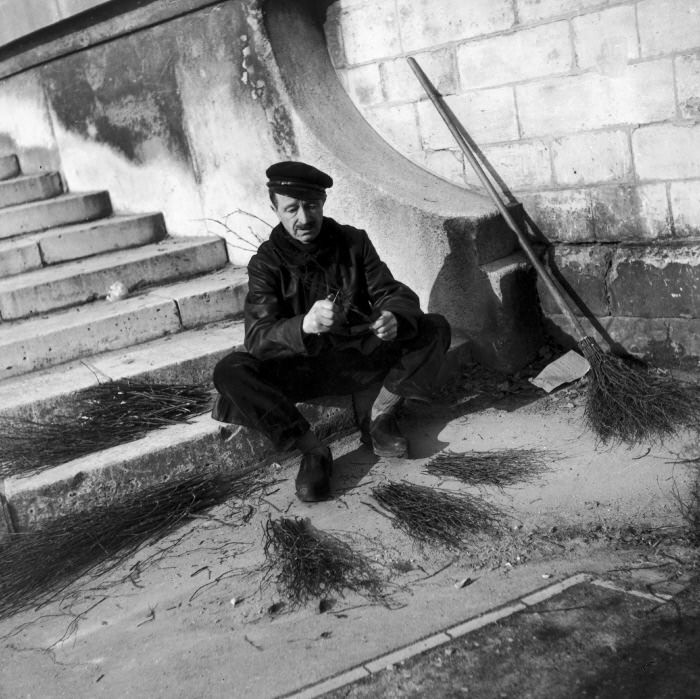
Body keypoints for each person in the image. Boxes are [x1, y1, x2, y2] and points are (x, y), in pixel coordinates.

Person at [212, 161, 451, 502]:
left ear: (323, 202)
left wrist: (393, 315)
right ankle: (312, 450)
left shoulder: (353, 242)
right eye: (291, 209)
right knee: (230, 371)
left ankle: (381, 417)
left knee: (433, 327)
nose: (304, 219)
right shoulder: (266, 262)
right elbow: (258, 338)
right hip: (302, 367)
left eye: (310, 206)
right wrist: (303, 326)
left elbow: (392, 292)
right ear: (275, 209)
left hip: (356, 356)